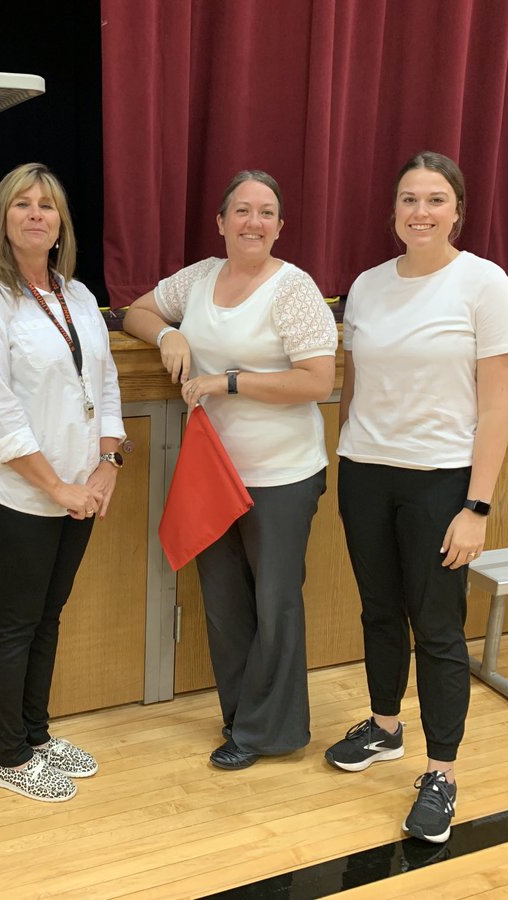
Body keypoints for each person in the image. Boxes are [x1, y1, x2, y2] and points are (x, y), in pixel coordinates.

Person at [324, 151, 508, 844]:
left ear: (457, 210)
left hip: (443, 481)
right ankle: (384, 727)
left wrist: (478, 507)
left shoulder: (484, 285)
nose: (421, 211)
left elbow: (496, 411)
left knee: (436, 630)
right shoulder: (368, 285)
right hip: (367, 474)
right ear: (395, 210)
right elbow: (354, 382)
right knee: (379, 610)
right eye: (409, 198)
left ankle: (441, 772)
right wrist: (346, 454)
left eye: (435, 199)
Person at [123, 170, 337, 771]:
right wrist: (167, 332)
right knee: (223, 602)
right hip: (213, 471)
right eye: (241, 211)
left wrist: (228, 381)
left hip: (282, 475)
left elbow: (317, 381)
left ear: (280, 226)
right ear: (220, 222)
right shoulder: (197, 279)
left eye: (266, 213)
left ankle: (273, 731)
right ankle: (241, 718)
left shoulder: (294, 289)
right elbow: (135, 311)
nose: (253, 223)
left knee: (275, 603)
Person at [0, 162, 125, 802]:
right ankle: (7, 755)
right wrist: (58, 487)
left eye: (47, 205)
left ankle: (37, 736)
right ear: (2, 219)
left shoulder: (77, 296)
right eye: (21, 204)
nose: (35, 214)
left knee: (48, 618)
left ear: (60, 223)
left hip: (81, 489)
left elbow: (104, 383)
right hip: (19, 495)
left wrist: (109, 462)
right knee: (16, 623)